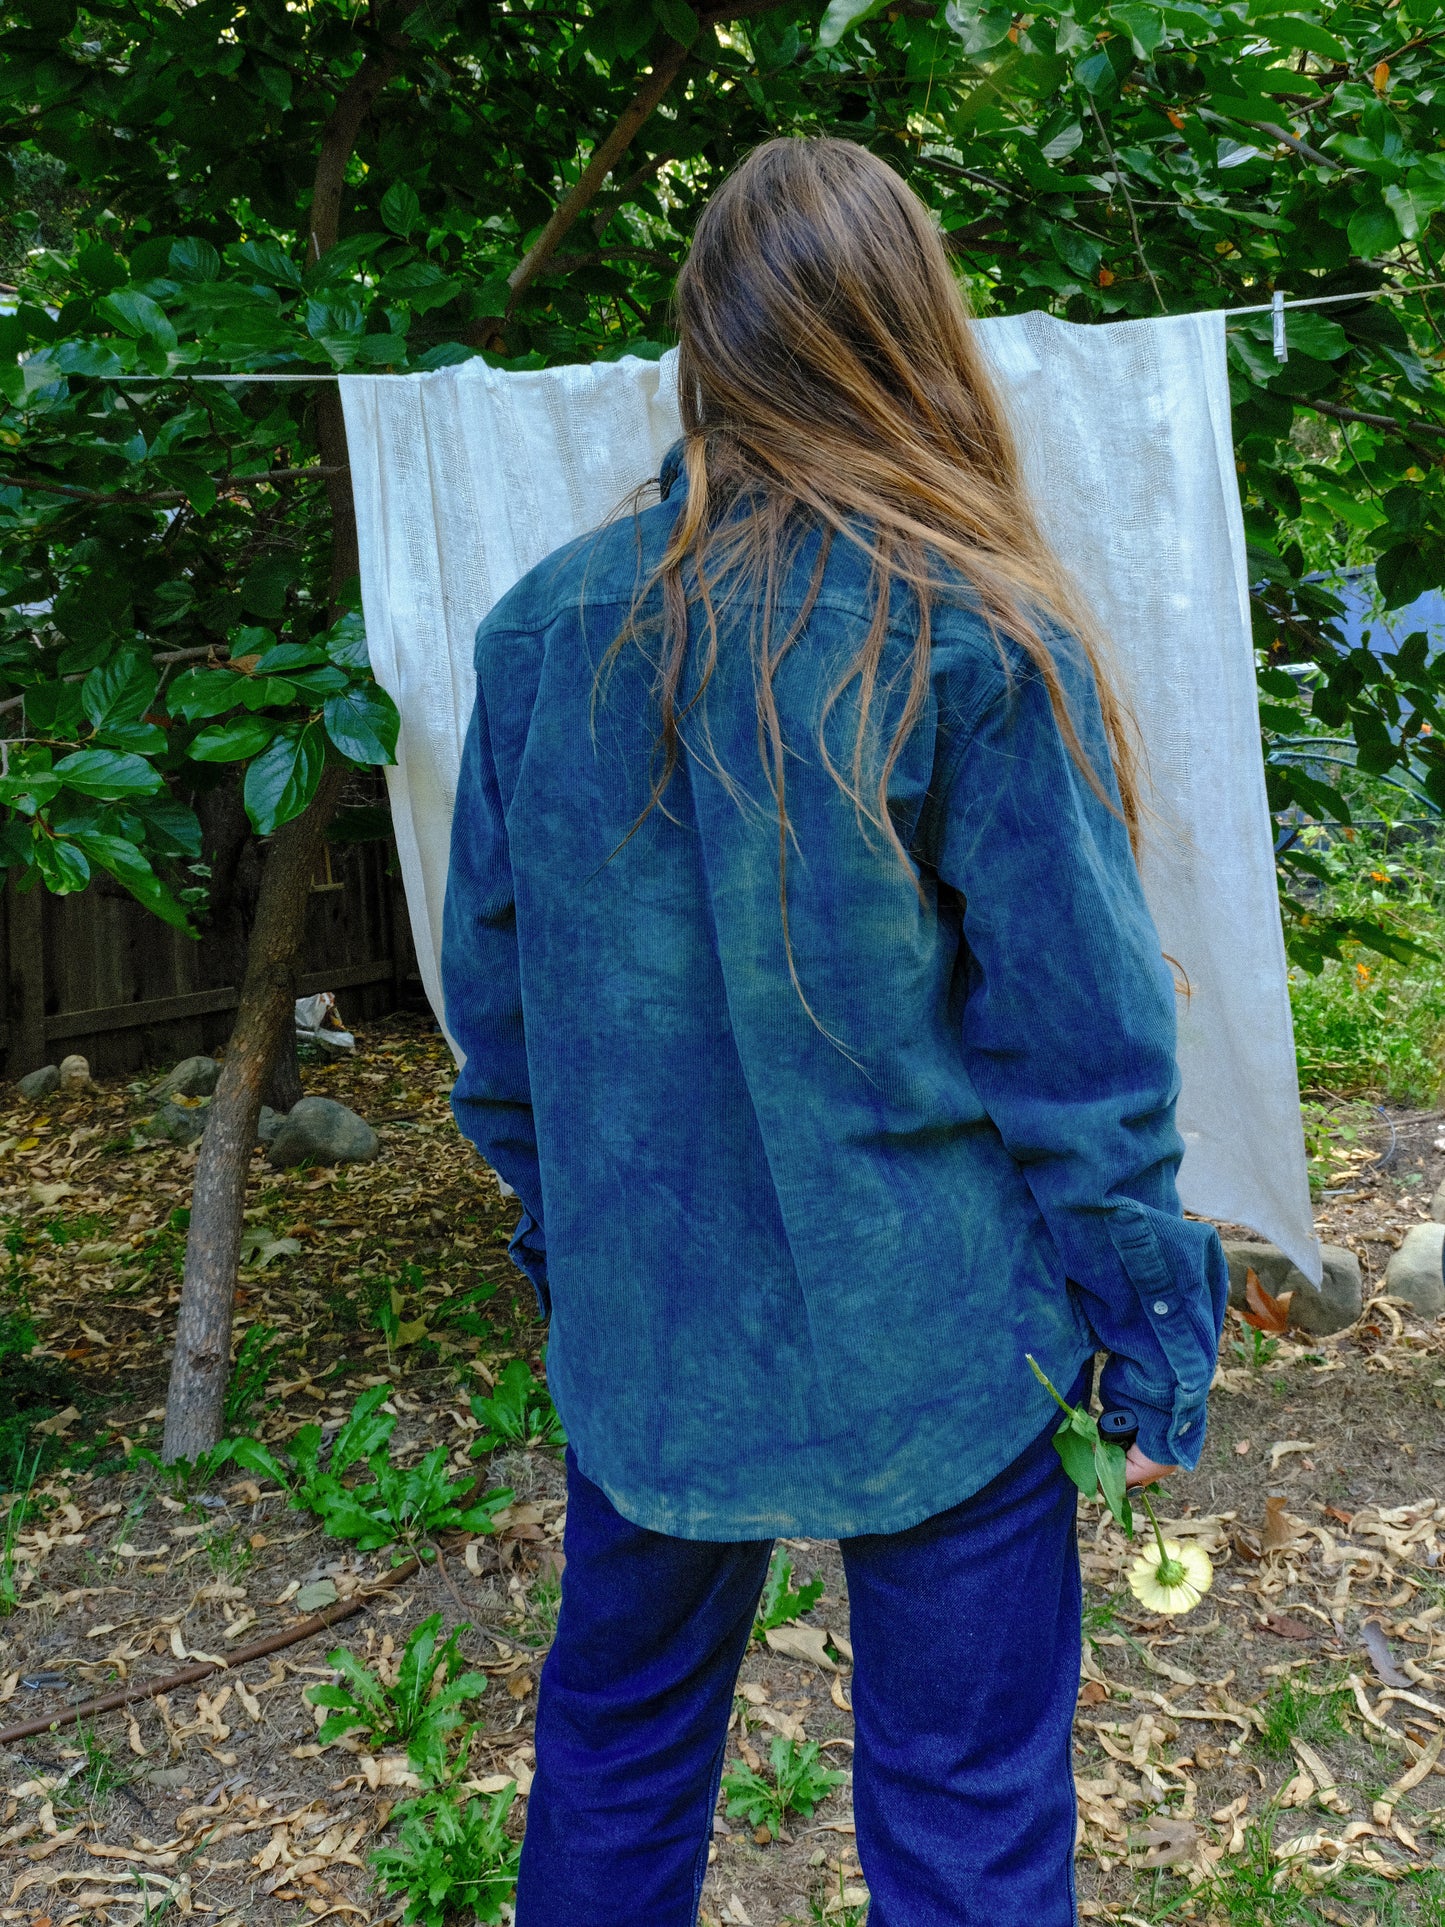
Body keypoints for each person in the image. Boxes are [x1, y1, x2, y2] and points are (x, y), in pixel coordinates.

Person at [441, 135, 1227, 1927]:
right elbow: (1085, 1047)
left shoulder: (542, 633)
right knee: (964, 1810)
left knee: (619, 1747)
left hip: (657, 1329)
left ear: (705, 343)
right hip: (938, 1331)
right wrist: (1136, 1324)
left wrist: (576, 1250)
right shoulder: (970, 628)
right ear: (907, 332)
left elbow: (495, 1030)